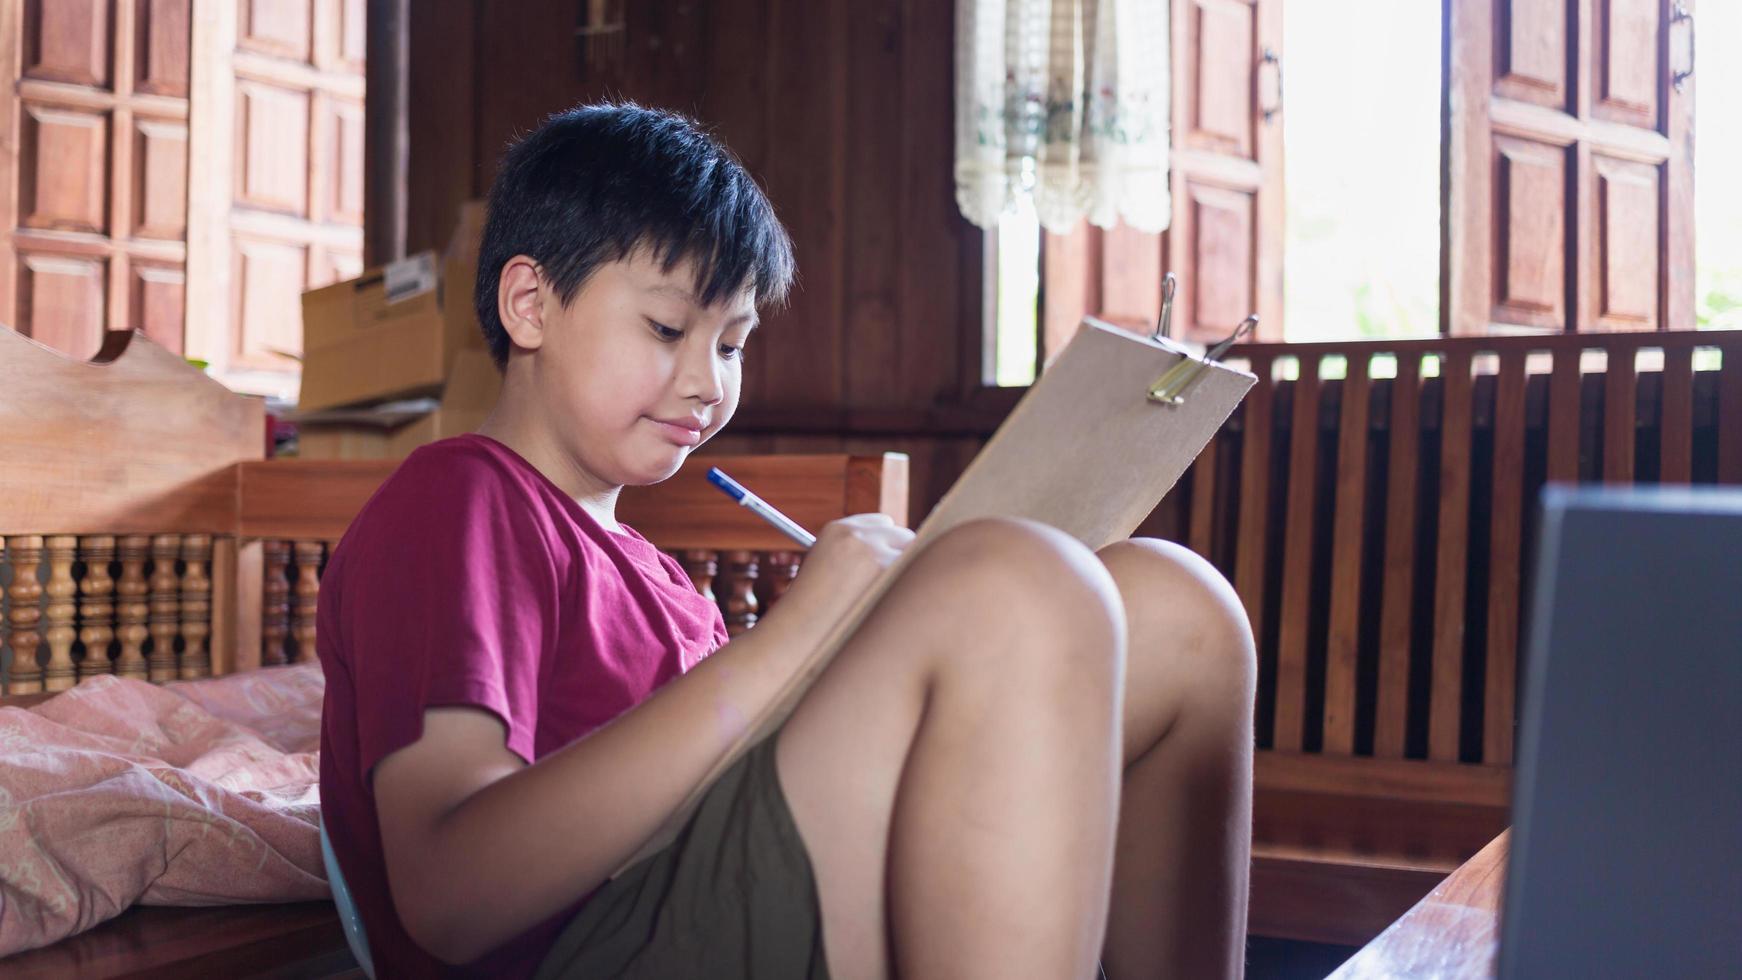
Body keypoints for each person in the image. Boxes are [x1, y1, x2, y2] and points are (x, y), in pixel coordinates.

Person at [317, 102, 1255, 980]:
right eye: (667, 327)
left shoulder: (660, 580)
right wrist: (799, 634)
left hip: (712, 889)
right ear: (530, 303)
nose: (707, 383)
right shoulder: (459, 498)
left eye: (732, 343)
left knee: (1182, 608)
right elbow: (449, 892)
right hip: (608, 944)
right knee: (1009, 581)